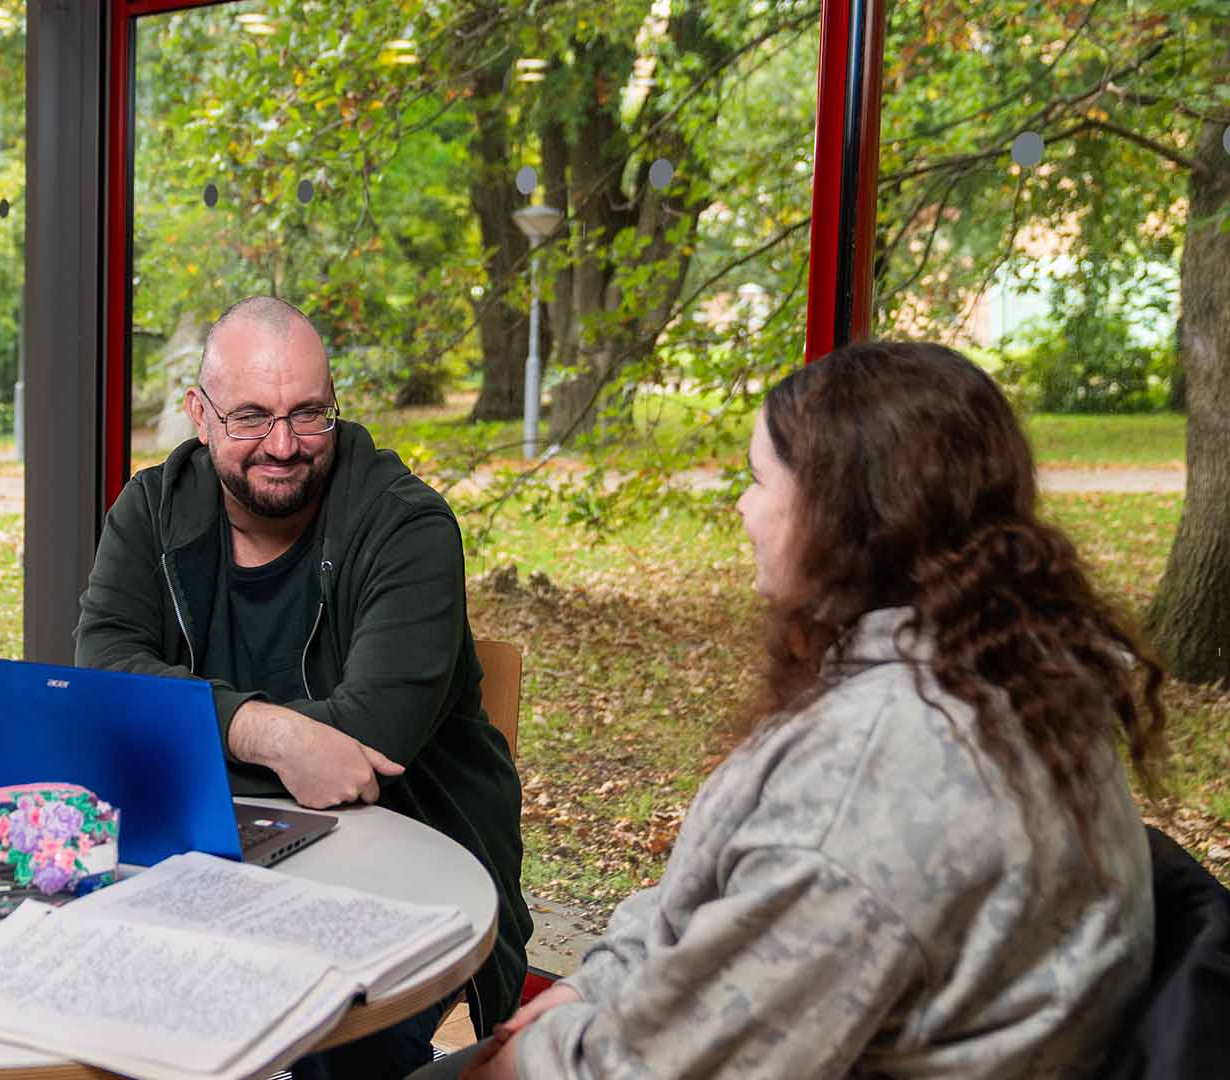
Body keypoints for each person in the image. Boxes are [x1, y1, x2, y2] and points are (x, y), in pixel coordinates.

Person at [419, 340, 1165, 1079]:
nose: (742, 508)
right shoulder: (1002, 670)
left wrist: (527, 1059)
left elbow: (667, 1069)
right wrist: (588, 986)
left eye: (757, 481)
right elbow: (716, 898)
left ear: (847, 517)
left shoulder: (872, 789)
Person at [75, 296, 531, 1078]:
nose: (282, 446)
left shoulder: (406, 527)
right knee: (93, 1000)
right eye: (250, 417)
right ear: (201, 414)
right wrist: (269, 732)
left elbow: (363, 755)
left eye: (308, 414)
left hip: (407, 879)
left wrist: (174, 730)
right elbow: (102, 671)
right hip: (209, 862)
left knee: (291, 1036)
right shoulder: (150, 508)